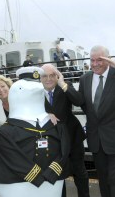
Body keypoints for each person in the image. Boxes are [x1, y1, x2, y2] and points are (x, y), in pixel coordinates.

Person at [60, 45, 115, 197]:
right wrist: (63, 85)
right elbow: (82, 102)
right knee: (104, 180)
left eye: (99, 60)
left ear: (108, 59)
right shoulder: (85, 78)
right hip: (96, 140)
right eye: (92, 60)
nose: (95, 64)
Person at [0, 67, 70, 197]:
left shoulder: (57, 126)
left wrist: (52, 171)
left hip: (53, 184)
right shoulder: (3, 133)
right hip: (18, 186)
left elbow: (65, 149)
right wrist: (38, 176)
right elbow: (12, 157)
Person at [40, 64, 90, 197]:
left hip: (72, 137)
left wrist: (62, 84)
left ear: (57, 76)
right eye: (45, 76)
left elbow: (79, 100)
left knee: (79, 172)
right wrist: (46, 115)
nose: (48, 79)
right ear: (40, 78)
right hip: (52, 141)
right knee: (57, 174)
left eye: (52, 75)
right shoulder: (36, 92)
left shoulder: (65, 86)